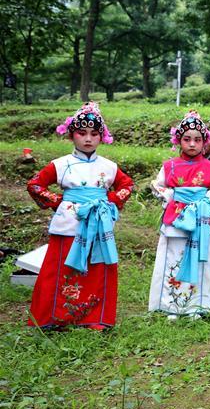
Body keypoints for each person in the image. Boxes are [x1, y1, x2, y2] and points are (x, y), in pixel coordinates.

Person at [25, 102, 133, 329]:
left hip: (99, 223)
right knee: (62, 269)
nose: (88, 139)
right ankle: (55, 319)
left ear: (101, 137)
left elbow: (126, 184)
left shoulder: (109, 166)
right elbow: (35, 184)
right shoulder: (61, 164)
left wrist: (110, 201)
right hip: (69, 221)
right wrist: (57, 201)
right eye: (81, 133)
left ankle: (95, 319)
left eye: (94, 134)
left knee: (97, 268)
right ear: (71, 134)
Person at [149, 111, 210, 320]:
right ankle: (171, 306)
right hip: (176, 219)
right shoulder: (170, 166)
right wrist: (172, 195)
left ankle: (197, 306)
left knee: (202, 261)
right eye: (187, 139)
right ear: (178, 141)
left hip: (201, 219)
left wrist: (206, 200)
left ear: (205, 142)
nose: (192, 144)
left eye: (197, 139)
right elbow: (157, 186)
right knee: (172, 260)